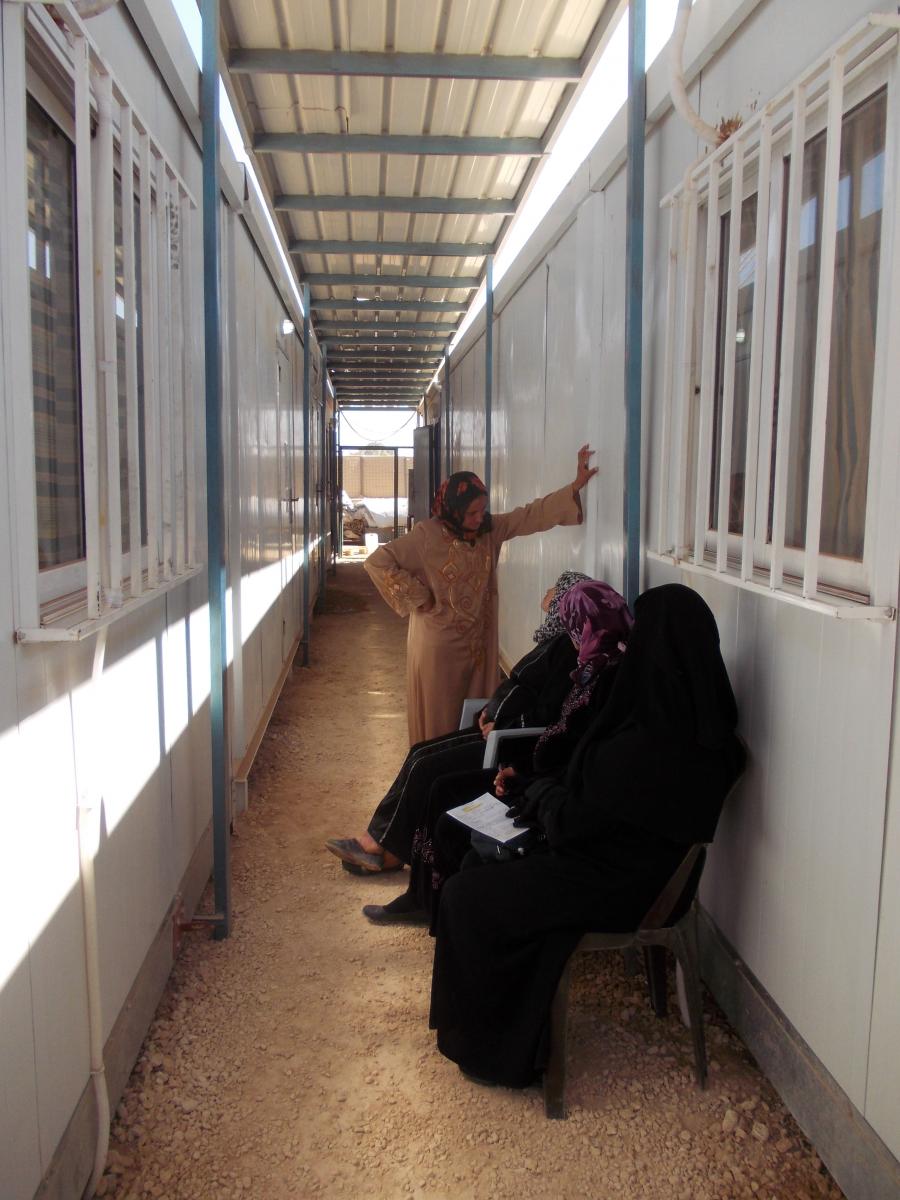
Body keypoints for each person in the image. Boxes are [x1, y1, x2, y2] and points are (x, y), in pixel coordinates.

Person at [429, 584, 745, 1090]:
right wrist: (535, 789)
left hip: (615, 883)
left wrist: (536, 799)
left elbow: (576, 821)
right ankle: (503, 1029)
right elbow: (599, 807)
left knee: (470, 895)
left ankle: (496, 1052)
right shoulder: (702, 729)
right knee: (479, 872)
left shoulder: (649, 743)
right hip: (631, 867)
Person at [361, 579, 634, 925]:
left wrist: (523, 769)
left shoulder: (599, 674)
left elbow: (558, 730)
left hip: (519, 749)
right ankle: (423, 889)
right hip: (527, 760)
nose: (567, 629)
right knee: (426, 763)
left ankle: (425, 890)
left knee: (435, 778)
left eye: (568, 618)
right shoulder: (587, 664)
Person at [324, 570, 592, 875]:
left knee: (426, 767)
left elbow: (549, 712)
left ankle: (382, 849)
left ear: (565, 602)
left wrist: (507, 723)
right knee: (419, 753)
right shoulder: (553, 639)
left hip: (509, 742)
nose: (546, 593)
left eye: (555, 589)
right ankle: (381, 841)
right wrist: (492, 711)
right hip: (497, 729)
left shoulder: (568, 654)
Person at [364, 447, 599, 746]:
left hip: (478, 643)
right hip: (438, 647)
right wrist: (417, 596)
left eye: (482, 511)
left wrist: (575, 486)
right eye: (471, 513)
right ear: (453, 510)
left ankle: (470, 776)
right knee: (441, 718)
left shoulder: (489, 530)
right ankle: (433, 770)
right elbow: (377, 561)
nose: (478, 519)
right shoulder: (427, 535)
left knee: (478, 715)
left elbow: (529, 516)